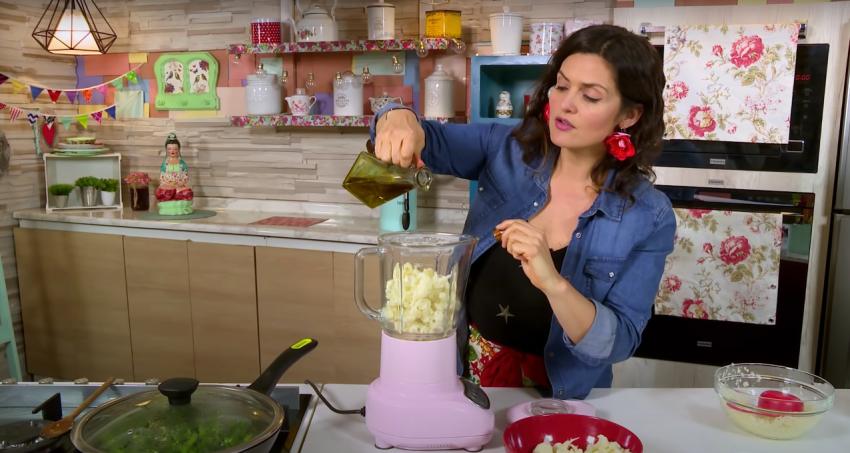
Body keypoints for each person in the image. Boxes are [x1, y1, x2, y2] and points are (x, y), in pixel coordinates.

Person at [369, 24, 676, 399]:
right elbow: (427, 140)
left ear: (629, 115)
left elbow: (618, 342)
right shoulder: (507, 149)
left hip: (565, 399)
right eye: (562, 86)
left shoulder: (648, 214)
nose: (566, 104)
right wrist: (396, 116)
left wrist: (554, 283)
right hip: (468, 378)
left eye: (591, 96)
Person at [154, 132, 194, 215]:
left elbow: (185, 177)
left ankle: (176, 196)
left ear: (179, 150)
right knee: (160, 192)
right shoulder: (165, 163)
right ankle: (171, 197)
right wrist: (168, 183)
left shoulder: (182, 163)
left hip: (179, 187)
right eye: (170, 149)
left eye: (175, 149)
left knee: (188, 192)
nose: (172, 151)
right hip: (168, 186)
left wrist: (180, 183)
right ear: (166, 150)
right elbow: (162, 177)